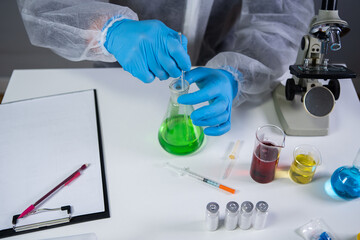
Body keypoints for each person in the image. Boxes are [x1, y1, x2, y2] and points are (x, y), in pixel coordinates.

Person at [17, 0, 314, 136]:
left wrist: (237, 75)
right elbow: (43, 6)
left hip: (217, 64)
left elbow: (282, 18)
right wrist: (110, 30)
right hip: (120, 70)